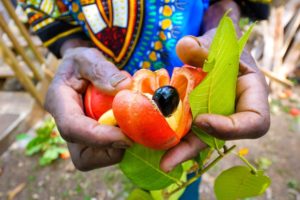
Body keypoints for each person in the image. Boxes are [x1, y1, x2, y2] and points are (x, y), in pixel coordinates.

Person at [19, 0, 271, 199]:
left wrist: (224, 37)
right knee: (142, 176)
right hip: (112, 115)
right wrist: (73, 50)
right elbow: (53, 16)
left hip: (195, 116)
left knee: (184, 178)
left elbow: (229, 2)